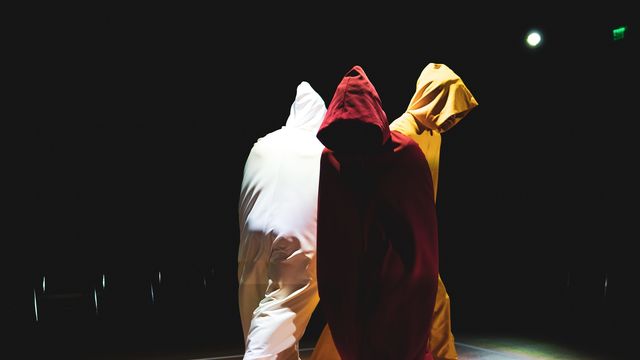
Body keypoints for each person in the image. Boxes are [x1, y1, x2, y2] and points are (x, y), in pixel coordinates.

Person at [310, 63, 478, 360]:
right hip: (387, 245)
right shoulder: (396, 139)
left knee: (427, 312)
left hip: (410, 243)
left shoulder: (427, 139)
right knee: (365, 317)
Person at [237, 81, 326, 359]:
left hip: (252, 235)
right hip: (295, 239)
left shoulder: (262, 144)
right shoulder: (321, 149)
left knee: (254, 312)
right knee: (280, 314)